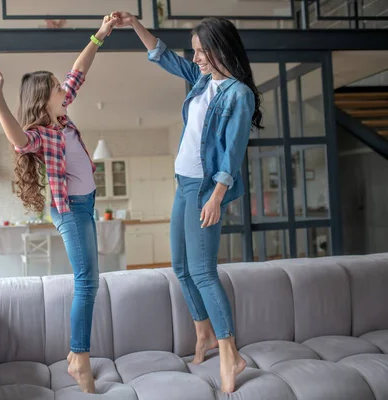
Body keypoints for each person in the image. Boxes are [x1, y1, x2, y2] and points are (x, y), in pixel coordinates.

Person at [113, 12, 263, 393]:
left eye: (200, 51)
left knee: (203, 272)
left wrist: (216, 196)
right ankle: (203, 335)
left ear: (219, 50)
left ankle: (231, 353)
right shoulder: (202, 81)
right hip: (183, 185)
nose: (195, 58)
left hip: (204, 189)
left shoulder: (238, 94)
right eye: (194, 52)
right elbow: (164, 56)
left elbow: (233, 152)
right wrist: (134, 25)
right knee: (179, 266)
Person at [0, 15, 119, 394]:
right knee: (87, 283)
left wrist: (100, 35)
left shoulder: (64, 115)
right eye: (55, 87)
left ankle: (75, 358)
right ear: (44, 97)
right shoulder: (43, 135)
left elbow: (78, 70)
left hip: (85, 205)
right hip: (70, 210)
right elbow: (19, 140)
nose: (62, 88)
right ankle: (80, 360)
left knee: (90, 281)